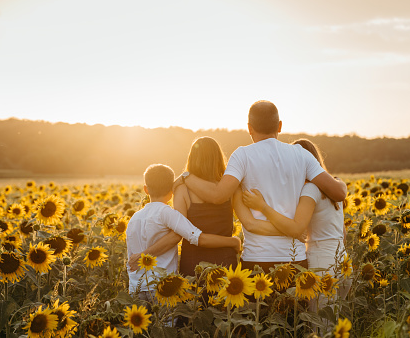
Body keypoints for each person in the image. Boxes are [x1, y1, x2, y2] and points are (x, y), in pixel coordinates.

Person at [177, 100, 347, 271]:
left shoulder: (242, 156)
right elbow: (339, 193)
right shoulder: (302, 155)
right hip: (295, 258)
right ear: (280, 126)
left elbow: (218, 196)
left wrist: (186, 177)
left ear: (249, 128)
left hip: (257, 259)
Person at [237, 139, 349, 314]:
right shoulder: (335, 185)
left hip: (321, 264)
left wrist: (263, 207)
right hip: (342, 260)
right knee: (337, 320)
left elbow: (296, 227)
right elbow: (343, 231)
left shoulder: (310, 190)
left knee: (319, 325)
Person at [128, 137, 238, 276]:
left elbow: (178, 231)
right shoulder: (227, 189)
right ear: (218, 158)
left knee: (196, 297)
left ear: (192, 159)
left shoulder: (182, 189)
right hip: (225, 257)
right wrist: (235, 242)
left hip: (194, 261)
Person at [126, 164, 241, 296]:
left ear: (146, 189)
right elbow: (196, 237)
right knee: (166, 317)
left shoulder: (134, 218)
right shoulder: (167, 214)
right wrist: (233, 242)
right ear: (171, 192)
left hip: (136, 288)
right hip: (163, 287)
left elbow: (131, 256)